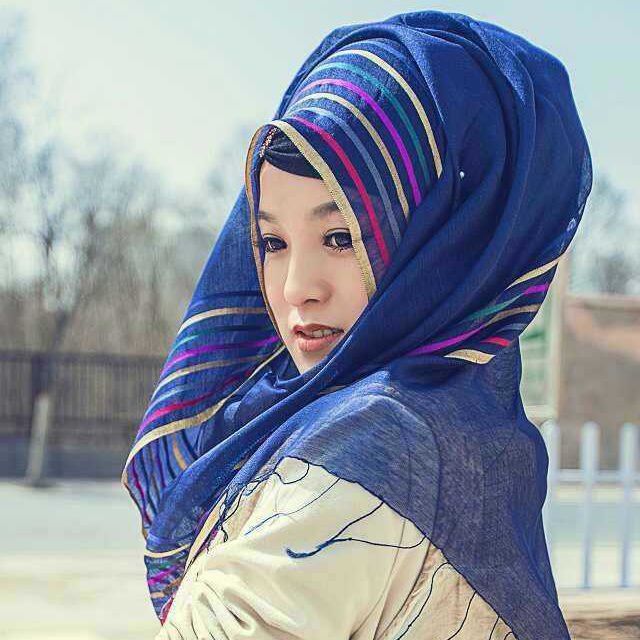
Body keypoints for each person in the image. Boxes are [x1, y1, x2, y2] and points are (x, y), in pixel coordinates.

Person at [122, 10, 592, 639]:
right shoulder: (472, 421)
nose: (297, 288)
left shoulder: (373, 441)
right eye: (272, 242)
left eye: (341, 237)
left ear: (447, 240)